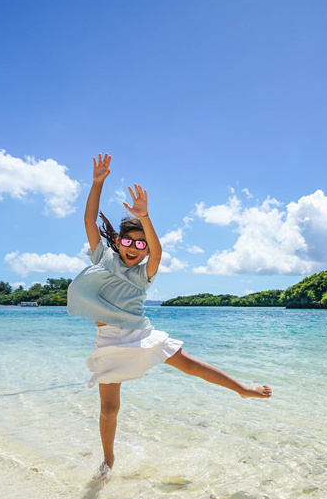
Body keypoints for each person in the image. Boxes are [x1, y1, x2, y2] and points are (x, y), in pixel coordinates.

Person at [67, 153, 272, 481]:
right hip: (108, 341)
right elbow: (90, 221)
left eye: (141, 244)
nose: (133, 247)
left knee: (191, 365)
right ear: (118, 242)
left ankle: (243, 390)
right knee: (109, 409)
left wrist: (145, 216)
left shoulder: (145, 273)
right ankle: (108, 461)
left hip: (140, 335)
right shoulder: (103, 257)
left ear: (146, 249)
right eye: (128, 241)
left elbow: (160, 251)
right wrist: (97, 183)